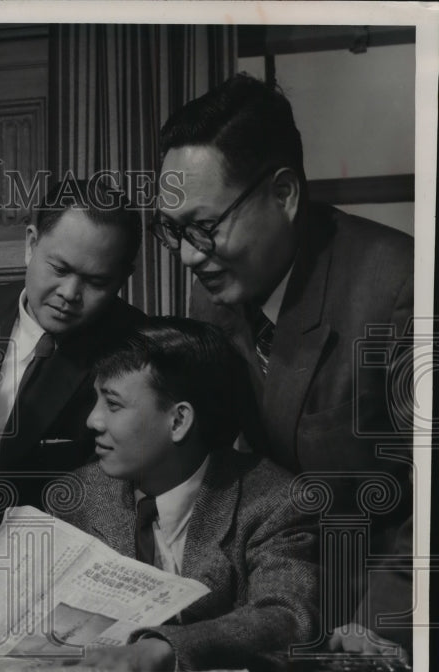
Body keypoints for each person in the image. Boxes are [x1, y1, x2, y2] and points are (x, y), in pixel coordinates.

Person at [154, 73, 413, 632]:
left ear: (284, 195)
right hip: (281, 597)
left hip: (384, 615)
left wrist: (376, 631)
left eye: (202, 227)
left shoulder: (399, 288)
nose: (187, 258)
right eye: (171, 232)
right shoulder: (215, 300)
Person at [57, 318, 318, 672]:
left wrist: (162, 650)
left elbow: (287, 616)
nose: (93, 420)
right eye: (96, 399)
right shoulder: (81, 495)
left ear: (179, 421)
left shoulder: (275, 502)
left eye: (113, 404)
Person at [0, 178, 144, 511]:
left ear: (121, 280)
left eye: (97, 282)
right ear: (30, 244)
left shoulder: (137, 346)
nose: (69, 294)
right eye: (59, 268)